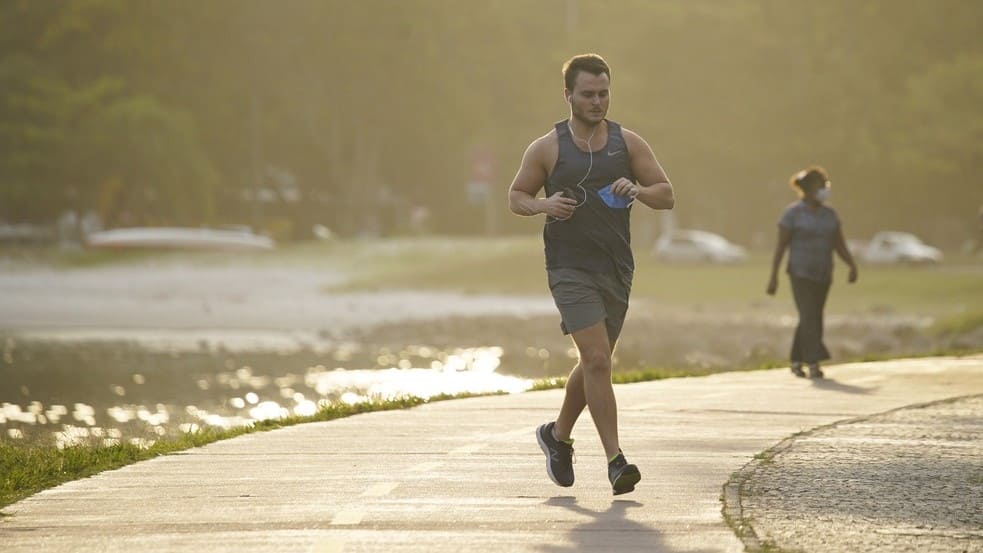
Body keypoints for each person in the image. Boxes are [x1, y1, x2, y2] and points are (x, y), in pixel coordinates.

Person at [507, 53, 674, 495]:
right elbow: (516, 196)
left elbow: (666, 194)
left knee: (594, 361)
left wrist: (637, 189)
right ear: (568, 96)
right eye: (588, 94)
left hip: (616, 267)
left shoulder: (628, 143)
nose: (597, 102)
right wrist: (544, 205)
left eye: (603, 93)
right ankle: (616, 461)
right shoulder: (547, 147)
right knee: (598, 358)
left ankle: (557, 436)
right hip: (568, 266)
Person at [766, 166, 858, 378]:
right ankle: (813, 362)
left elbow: (839, 244)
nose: (825, 190)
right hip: (800, 272)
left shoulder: (830, 215)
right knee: (809, 315)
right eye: (820, 186)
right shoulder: (792, 215)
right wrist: (774, 276)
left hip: (823, 273)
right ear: (808, 189)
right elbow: (781, 247)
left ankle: (797, 360)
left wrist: (851, 265)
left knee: (812, 316)